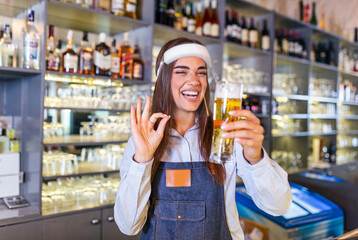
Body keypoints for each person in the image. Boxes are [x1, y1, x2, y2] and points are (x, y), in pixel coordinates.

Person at [114, 37, 292, 240]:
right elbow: (129, 226)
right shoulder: (142, 143)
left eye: (201, 72)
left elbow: (279, 205)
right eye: (181, 71)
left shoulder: (225, 136)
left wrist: (255, 157)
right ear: (163, 80)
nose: (194, 80)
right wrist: (143, 160)